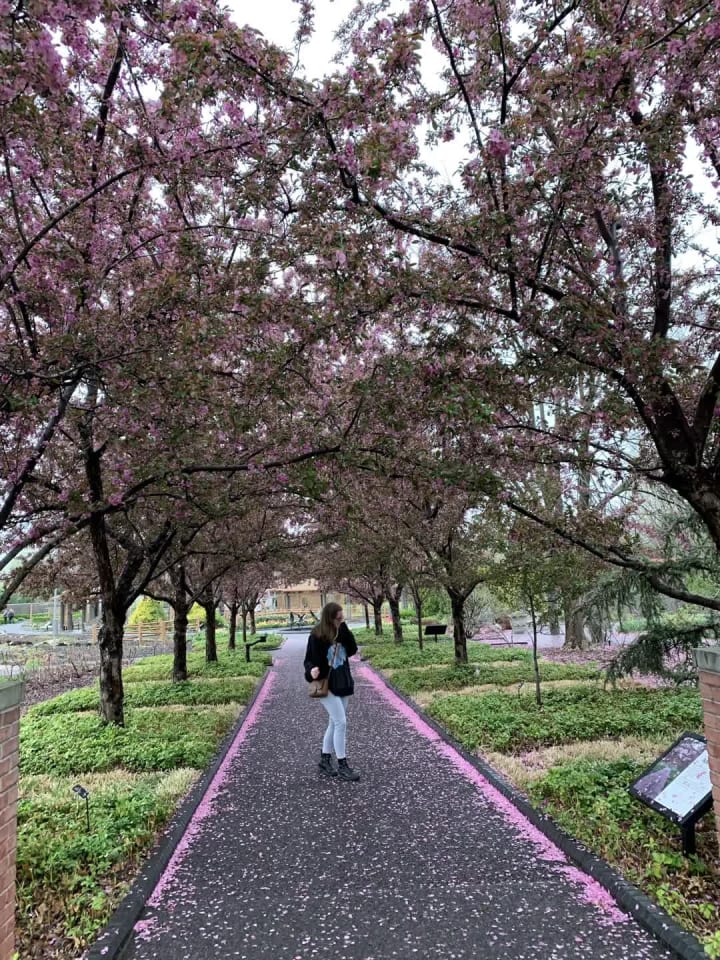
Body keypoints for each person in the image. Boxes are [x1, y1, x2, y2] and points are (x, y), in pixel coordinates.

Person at [304, 602, 360, 782]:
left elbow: (352, 650)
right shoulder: (317, 635)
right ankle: (342, 765)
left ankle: (324, 761)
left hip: (343, 681)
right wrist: (311, 670)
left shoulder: (342, 631)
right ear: (330, 617)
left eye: (341, 617)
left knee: (334, 723)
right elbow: (308, 660)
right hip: (326, 683)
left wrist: (343, 628)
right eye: (338, 618)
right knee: (341, 722)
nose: (340, 620)